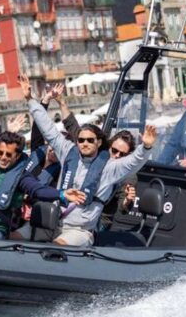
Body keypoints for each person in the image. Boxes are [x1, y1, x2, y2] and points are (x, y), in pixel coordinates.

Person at [22, 77, 156, 247]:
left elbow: (133, 163)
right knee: (15, 237)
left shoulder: (110, 167)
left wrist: (145, 147)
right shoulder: (68, 151)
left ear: (99, 143)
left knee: (56, 247)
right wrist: (30, 100)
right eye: (81, 140)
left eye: (90, 141)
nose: (85, 143)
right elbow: (47, 128)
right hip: (53, 221)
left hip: (79, 230)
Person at [0, 99, 86, 240]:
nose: (3, 157)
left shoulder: (21, 176)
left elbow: (38, 190)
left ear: (17, 156)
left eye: (8, 154)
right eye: (0, 153)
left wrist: (61, 194)